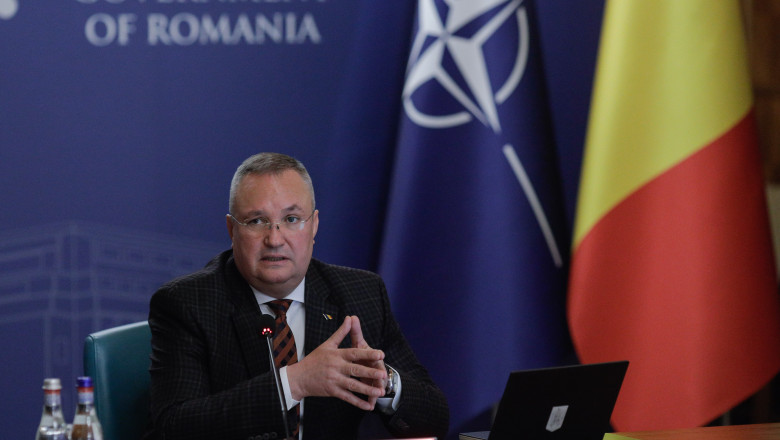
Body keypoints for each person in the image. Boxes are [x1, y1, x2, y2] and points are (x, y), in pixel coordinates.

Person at [144, 152, 449, 440]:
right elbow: (174, 427)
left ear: (314, 225)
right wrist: (294, 382)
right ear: (232, 230)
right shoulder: (188, 302)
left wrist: (385, 382)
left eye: (291, 219)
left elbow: (434, 418)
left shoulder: (361, 294)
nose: (275, 239)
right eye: (256, 221)